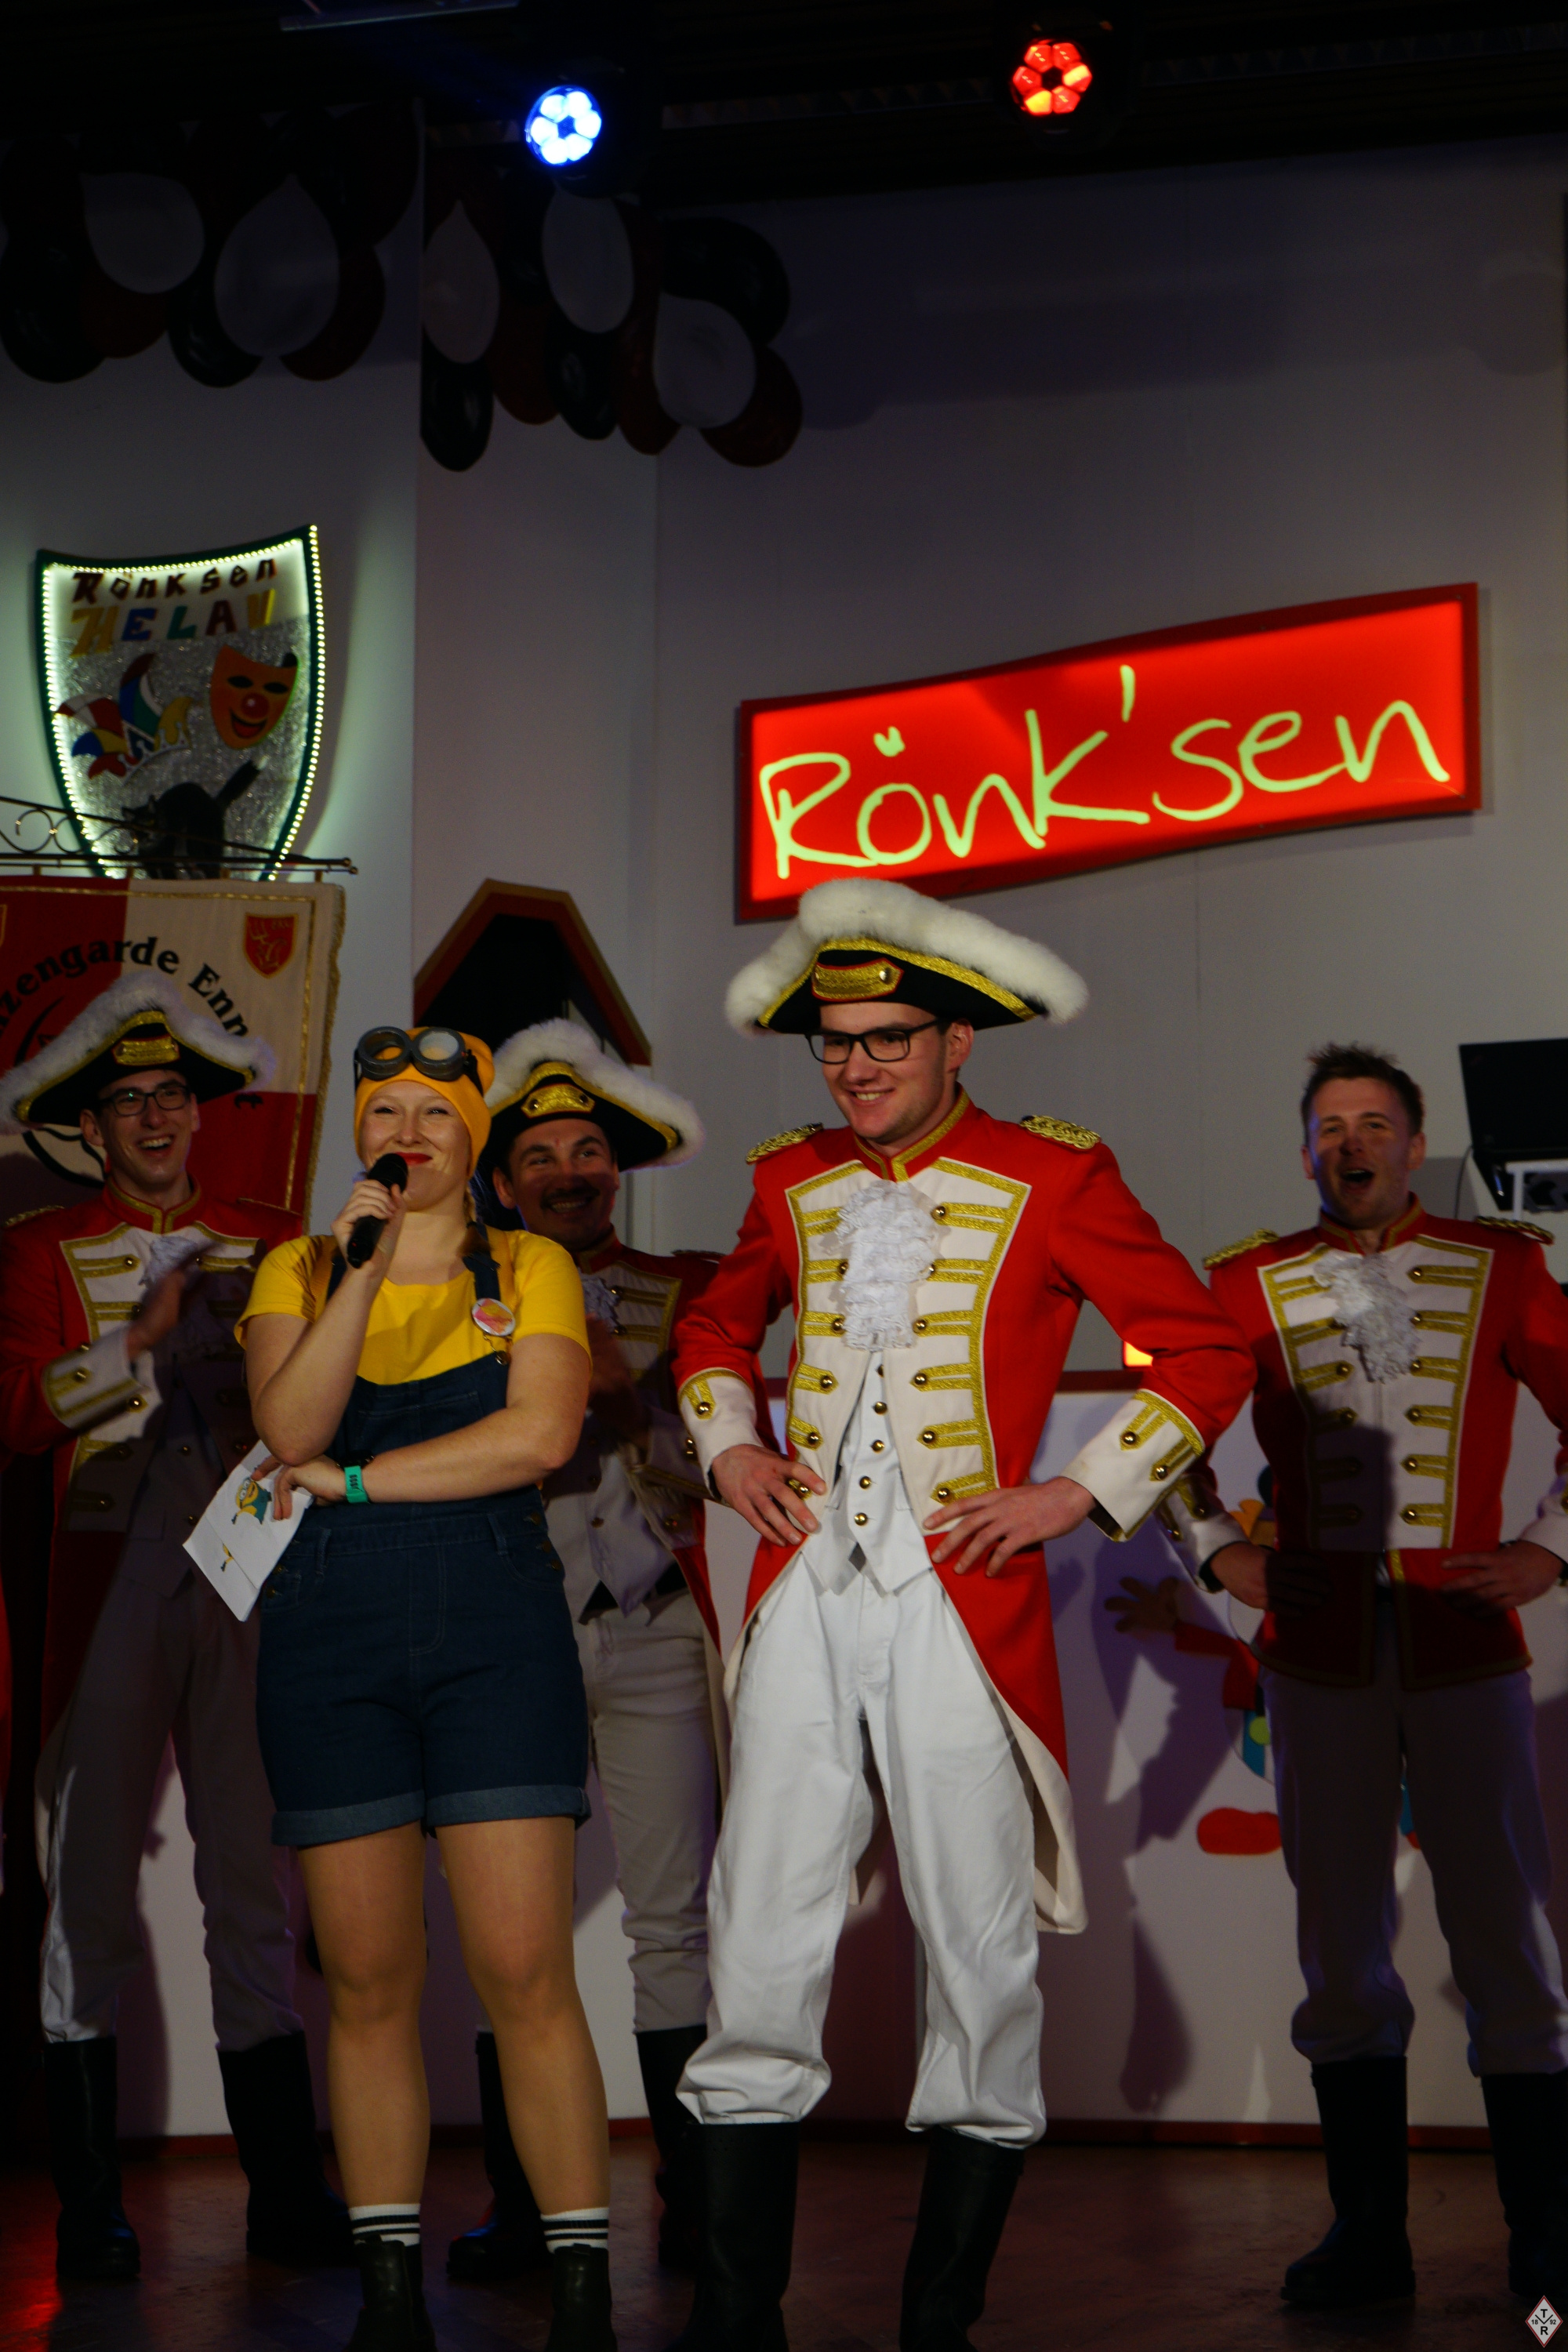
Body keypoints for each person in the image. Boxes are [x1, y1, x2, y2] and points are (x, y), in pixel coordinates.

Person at [669, 878, 1254, 2351]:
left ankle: (939, 2324)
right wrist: (730, 1448)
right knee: (758, 1931)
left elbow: (1204, 1351)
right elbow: (713, 1326)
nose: (857, 1065)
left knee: (980, 1950)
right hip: (804, 1591)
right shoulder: (789, 1178)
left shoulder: (1056, 1173)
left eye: (888, 1039)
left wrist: (1076, 1493)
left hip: (958, 1600)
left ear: (956, 1044)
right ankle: (735, 2319)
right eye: (836, 1042)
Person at [1160, 1043, 1568, 2313]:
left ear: (1415, 1143)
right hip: (1316, 1656)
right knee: (1340, 1949)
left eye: (1376, 1124)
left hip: (1464, 1644)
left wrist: (1549, 1550)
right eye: (1332, 1126)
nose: (1353, 1144)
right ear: (1306, 1150)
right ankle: (1367, 2238)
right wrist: (1216, 1548)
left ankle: (1548, 2242)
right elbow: (1161, 1432)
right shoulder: (1244, 1281)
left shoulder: (1505, 1267)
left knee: (1507, 1940)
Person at [239, 1022, 614, 2352]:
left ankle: (582, 2295)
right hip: (328, 1637)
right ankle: (389, 2299)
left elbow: (539, 1436)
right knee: (365, 1976)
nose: (409, 1134)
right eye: (386, 1112)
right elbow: (287, 1427)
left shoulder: (531, 1265)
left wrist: (352, 1483)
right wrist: (357, 1269)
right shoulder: (298, 1266)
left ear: (475, 1135)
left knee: (525, 1968)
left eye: (436, 1114)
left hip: (492, 1628)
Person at [0, 971, 347, 2279]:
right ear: (91, 1129)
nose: (154, 1118)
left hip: (249, 1575)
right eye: (129, 1102)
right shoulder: (39, 1250)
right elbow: (14, 1415)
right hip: (108, 1587)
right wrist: (134, 1343)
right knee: (86, 1888)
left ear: (199, 1115)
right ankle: (90, 2205)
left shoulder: (275, 1239)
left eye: (172, 1097)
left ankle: (285, 2191)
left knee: (250, 1882)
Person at [448, 1020, 744, 2281]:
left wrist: (638, 1401)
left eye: (588, 1154)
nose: (570, 1174)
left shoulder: (687, 1289)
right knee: (512, 1933)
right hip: (512, 1637)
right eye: (543, 1157)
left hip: (654, 1629)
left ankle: (697, 2201)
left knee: (674, 1924)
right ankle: (524, 2206)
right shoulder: (456, 1288)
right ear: (502, 1181)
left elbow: (723, 1461)